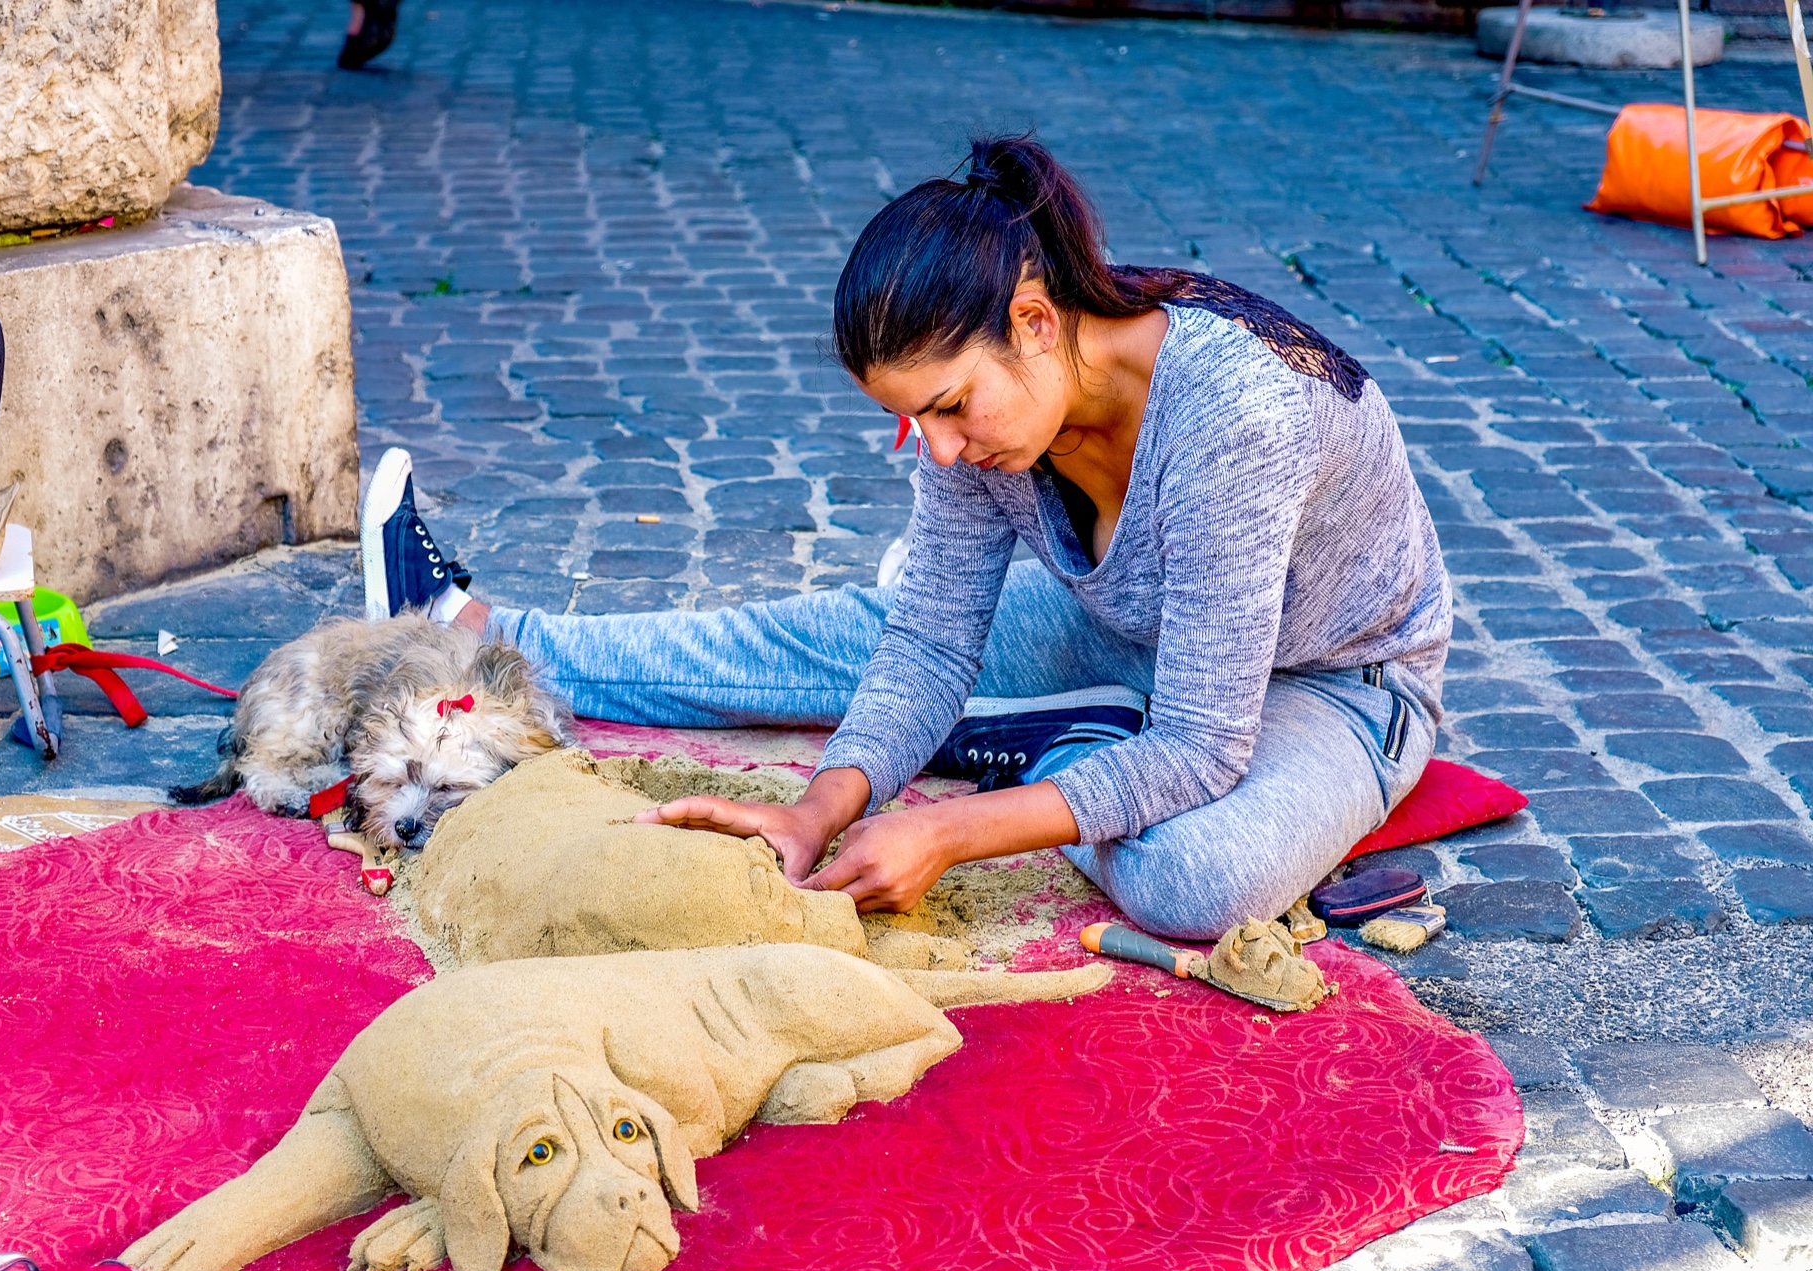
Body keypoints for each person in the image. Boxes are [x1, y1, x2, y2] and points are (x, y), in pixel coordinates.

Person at [359, 134, 1451, 942]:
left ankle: (1054, 747)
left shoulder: (1231, 412)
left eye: (948, 406)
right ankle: (486, 627)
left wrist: (951, 833)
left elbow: (1205, 745)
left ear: (1033, 322)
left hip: (1326, 681)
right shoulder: (996, 415)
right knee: (864, 635)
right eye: (907, 417)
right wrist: (814, 809)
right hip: (1134, 634)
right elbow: (928, 645)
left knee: (1194, 879)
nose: (933, 449)